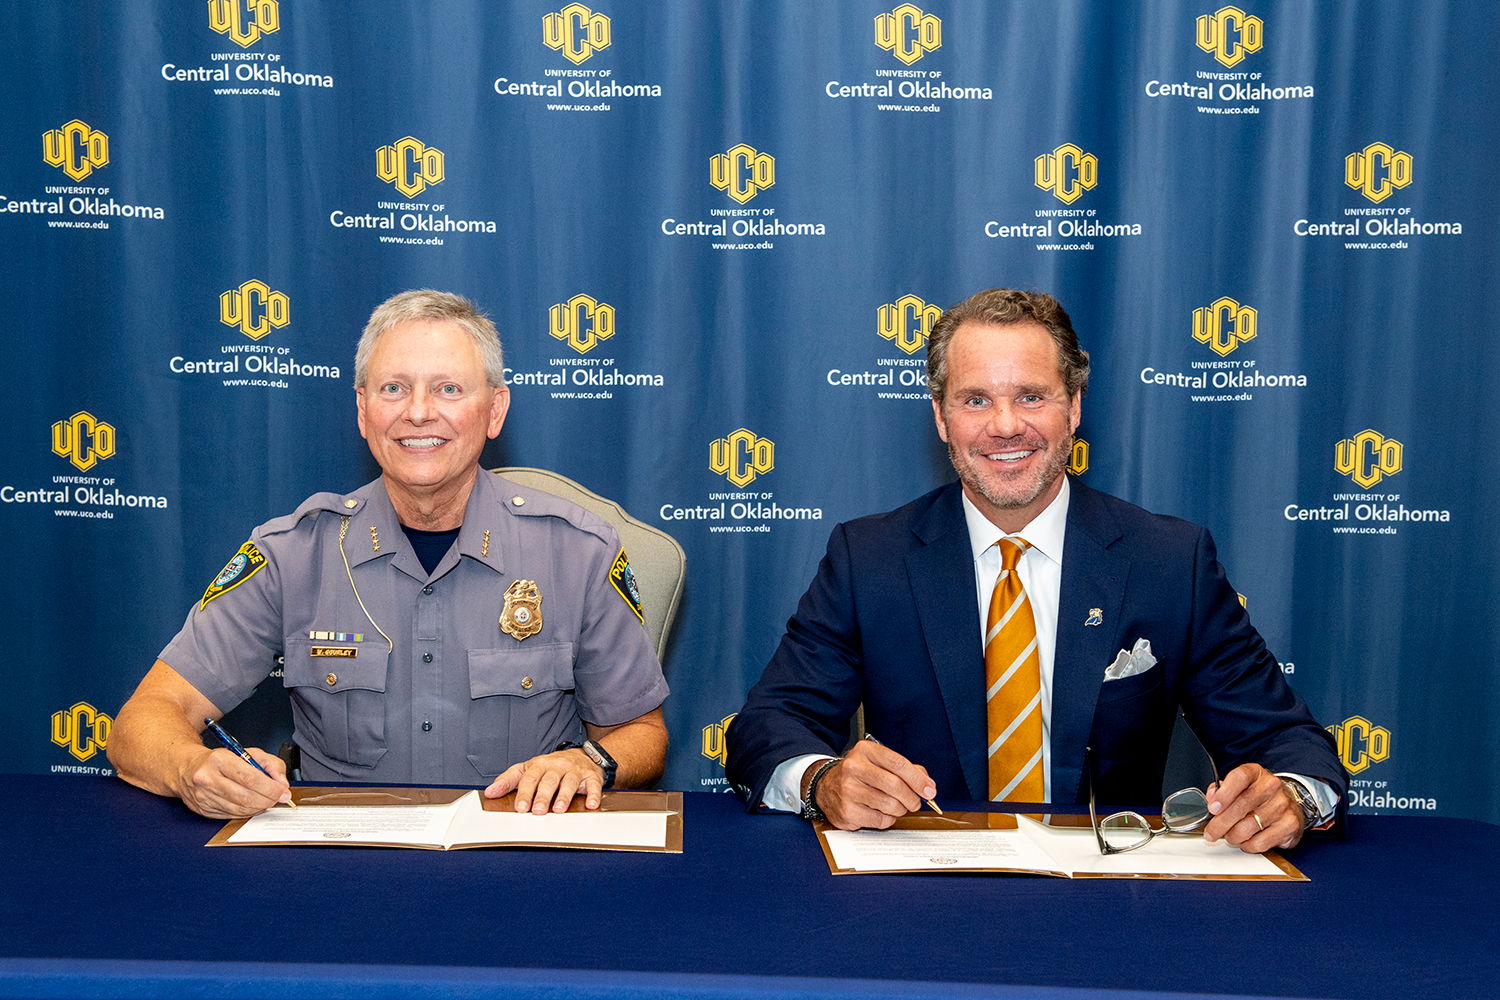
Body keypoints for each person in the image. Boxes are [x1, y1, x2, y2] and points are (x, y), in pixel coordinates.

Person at [725, 288, 1344, 854]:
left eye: (1031, 396)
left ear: (1073, 408)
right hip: (924, 884)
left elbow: (1291, 744)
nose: (1005, 426)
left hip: (1110, 890)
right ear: (941, 418)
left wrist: (1292, 796)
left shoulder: (1167, 560)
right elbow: (767, 728)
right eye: (975, 400)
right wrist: (822, 780)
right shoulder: (870, 558)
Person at [109, 290, 669, 819]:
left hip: (517, 853)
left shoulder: (578, 552)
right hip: (343, 867)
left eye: (448, 389)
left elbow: (643, 732)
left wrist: (589, 761)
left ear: (495, 410)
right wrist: (194, 769)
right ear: (363, 410)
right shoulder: (291, 555)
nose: (418, 412)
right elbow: (143, 722)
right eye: (393, 388)